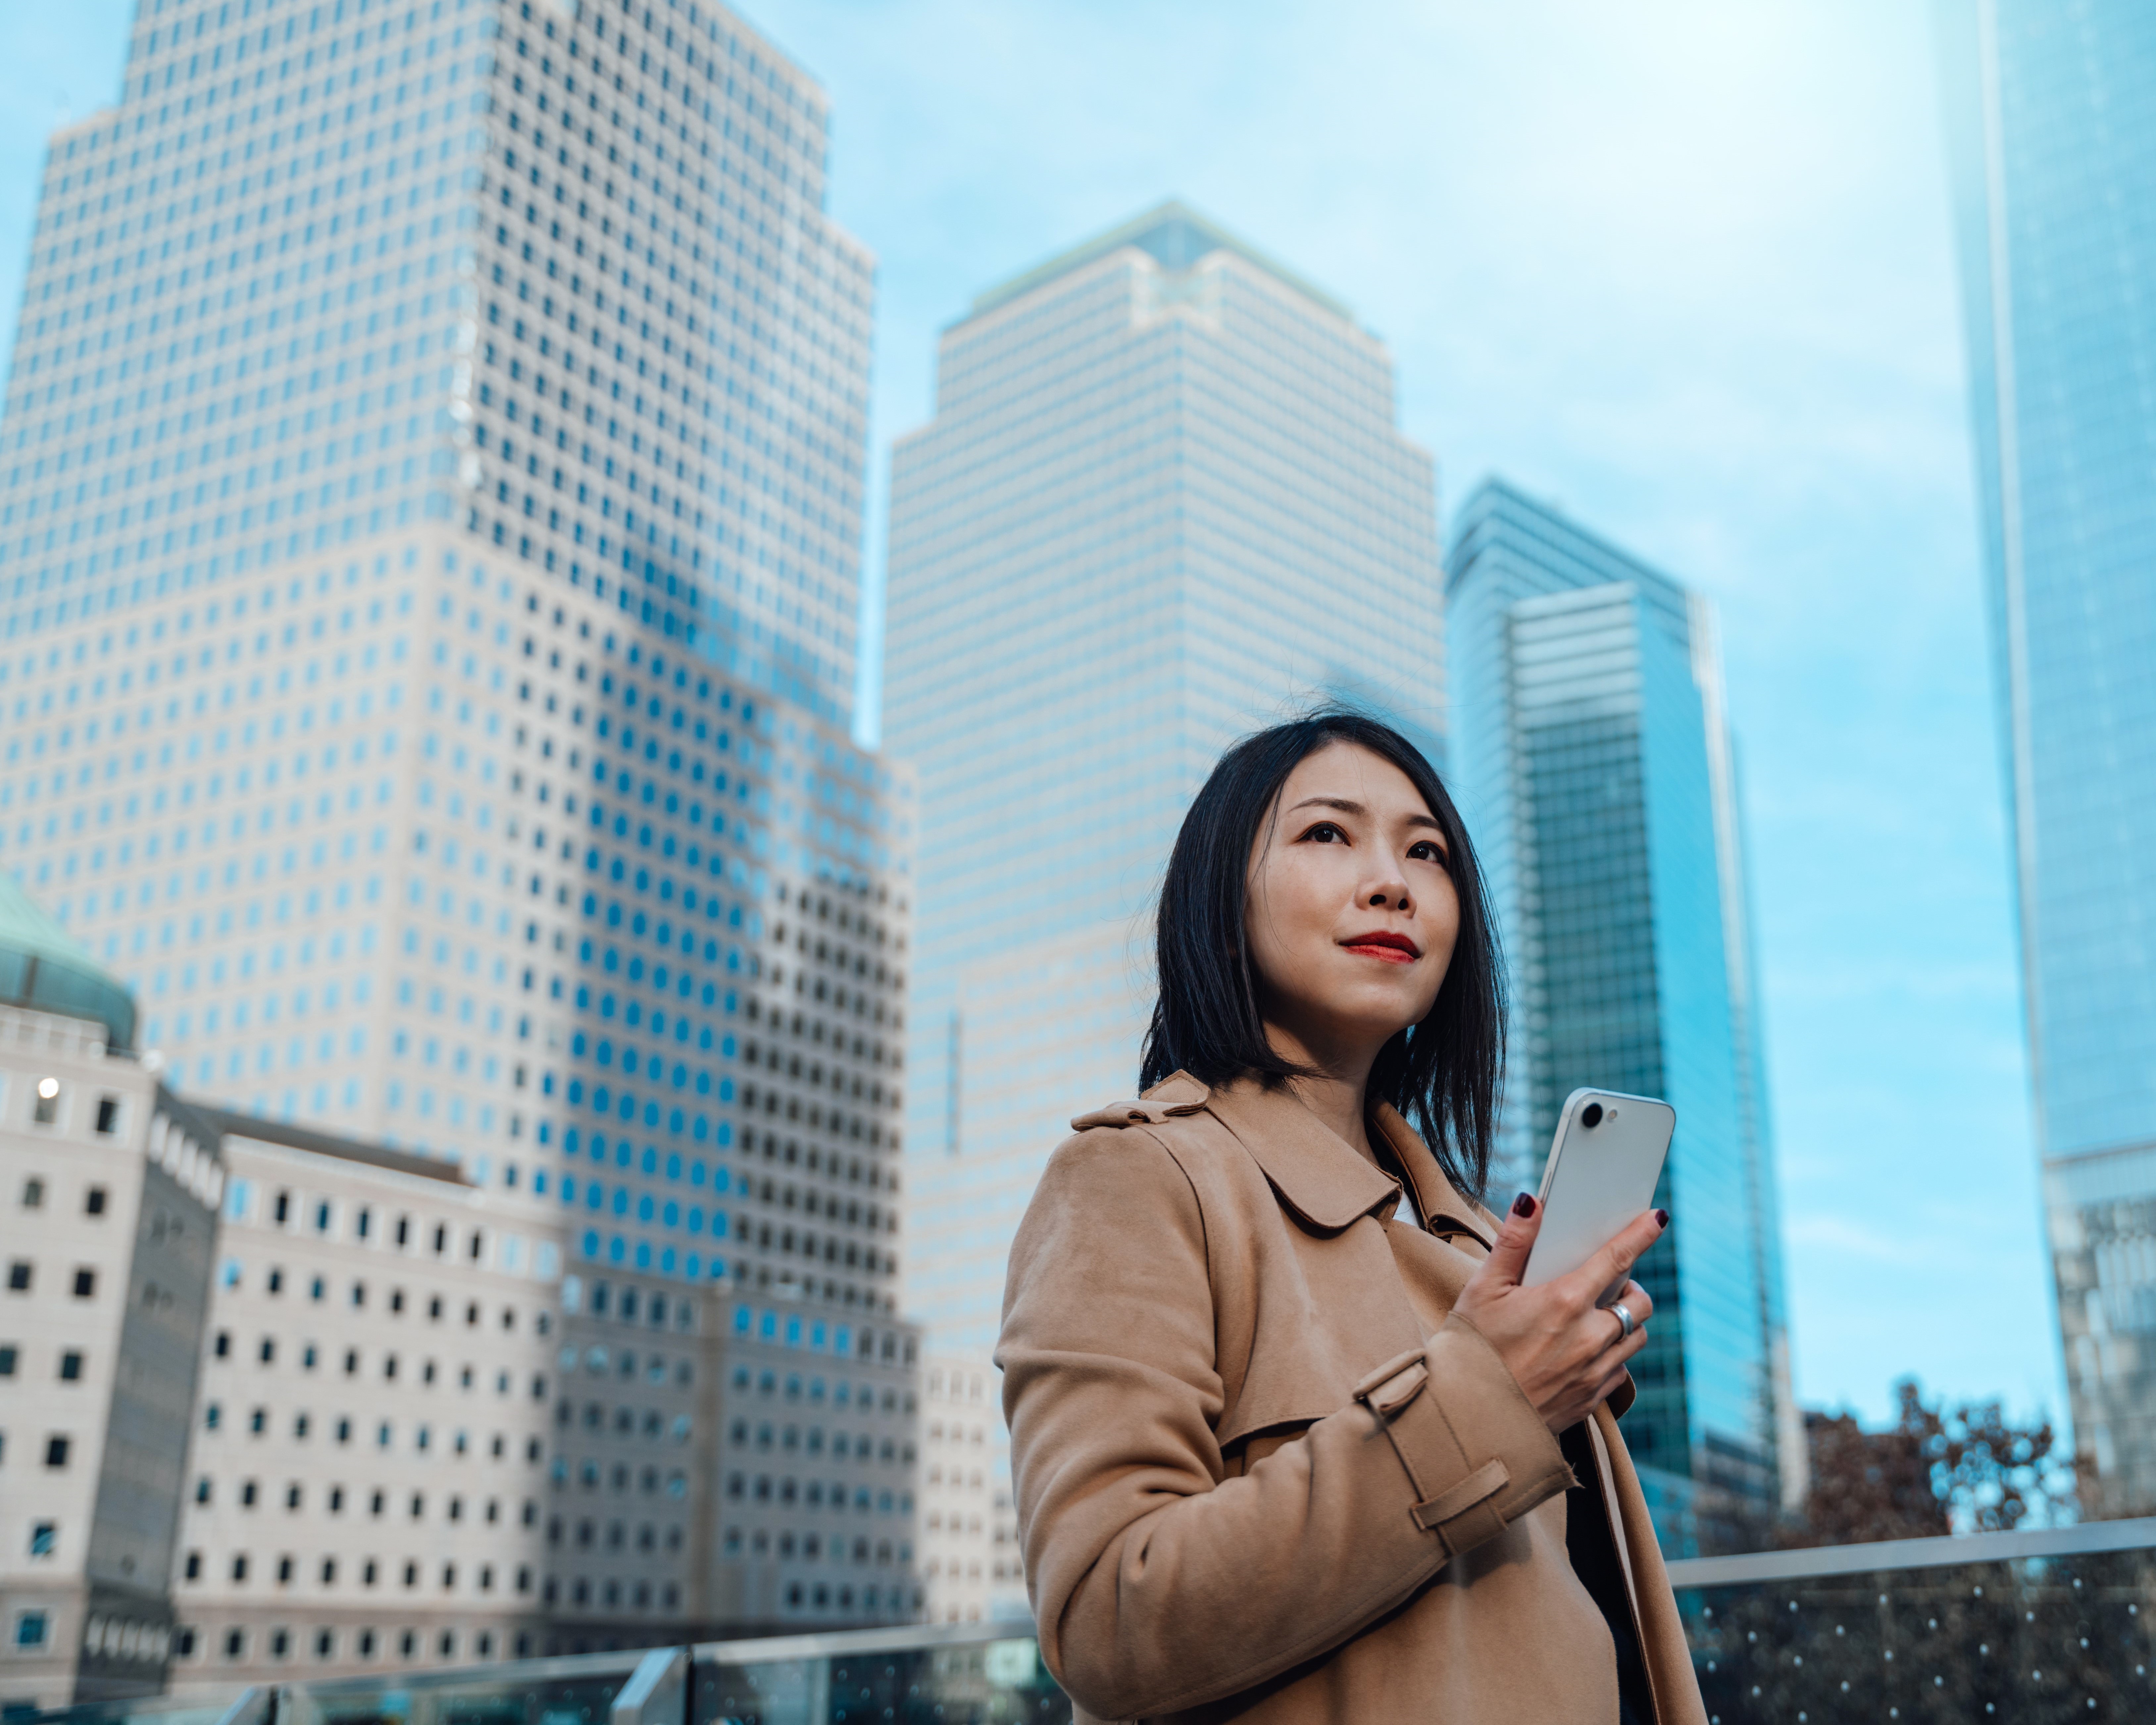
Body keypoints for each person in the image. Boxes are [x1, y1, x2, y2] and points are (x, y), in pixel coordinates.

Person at [997, 711, 1706, 1724]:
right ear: (1221, 891)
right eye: (1328, 834)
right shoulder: (1137, 1178)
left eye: (1428, 852)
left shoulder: (1473, 1241)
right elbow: (1109, 1614)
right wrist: (1485, 1397)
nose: (1394, 882)